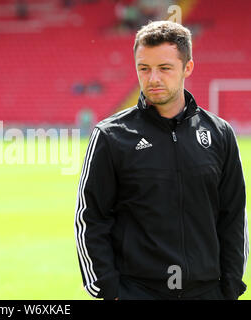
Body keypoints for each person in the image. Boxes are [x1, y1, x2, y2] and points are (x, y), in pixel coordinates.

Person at [74, 21, 248, 300]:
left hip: (207, 291)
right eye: (144, 68)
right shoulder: (110, 136)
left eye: (164, 68)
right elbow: (90, 218)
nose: (153, 78)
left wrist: (230, 287)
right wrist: (109, 290)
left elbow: (233, 217)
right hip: (137, 291)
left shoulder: (219, 134)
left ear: (187, 68)